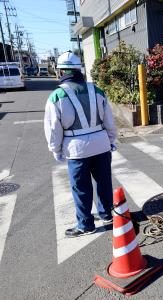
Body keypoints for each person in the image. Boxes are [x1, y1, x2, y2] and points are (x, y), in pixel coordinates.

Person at [44, 51, 117, 238]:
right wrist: (111, 140)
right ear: (79, 69)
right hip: (101, 144)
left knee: (81, 187)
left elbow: (53, 128)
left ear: (60, 72)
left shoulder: (57, 96)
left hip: (76, 148)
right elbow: (109, 119)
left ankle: (86, 225)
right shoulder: (97, 90)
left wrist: (56, 149)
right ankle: (107, 214)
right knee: (103, 181)